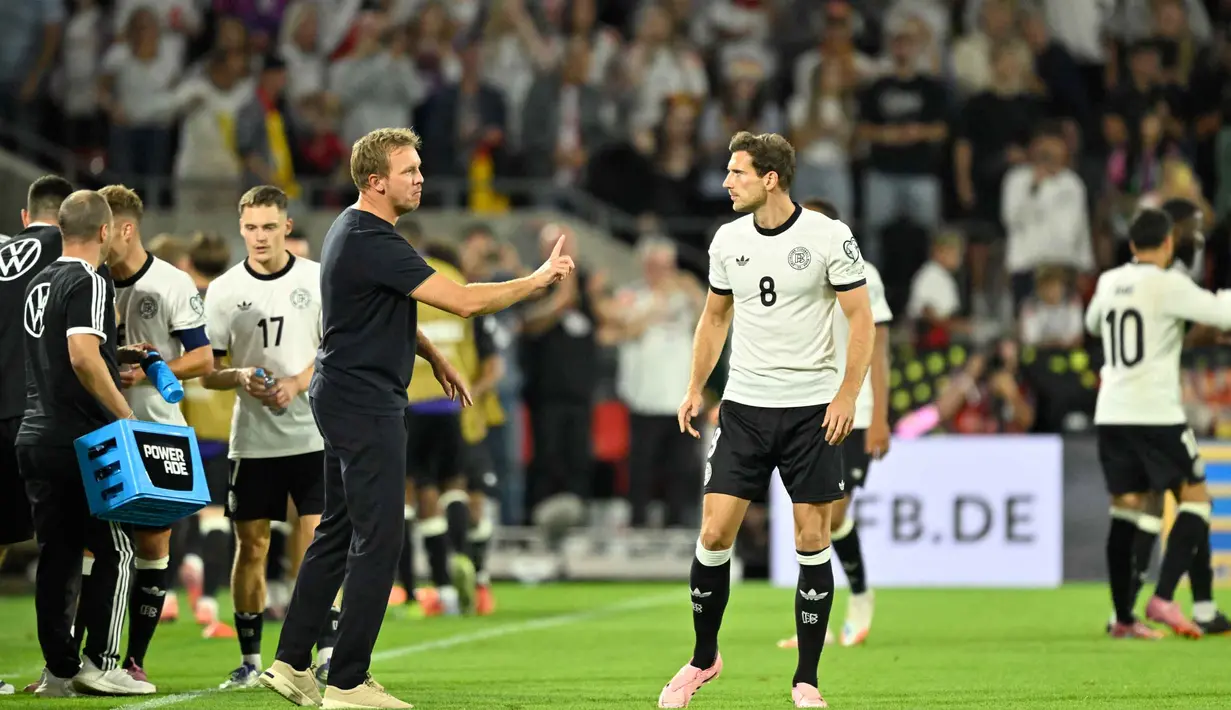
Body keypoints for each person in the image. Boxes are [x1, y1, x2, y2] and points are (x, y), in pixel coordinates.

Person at [259, 127, 574, 709]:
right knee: (380, 538)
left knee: (336, 530)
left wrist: (432, 353)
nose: (421, 178)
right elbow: (465, 300)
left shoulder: (356, 232)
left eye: (420, 168)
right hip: (363, 400)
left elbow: (380, 308)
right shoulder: (371, 236)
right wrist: (535, 281)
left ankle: (290, 662)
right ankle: (348, 681)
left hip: (344, 391)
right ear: (376, 182)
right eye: (409, 170)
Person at [660, 132, 874, 709]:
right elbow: (713, 319)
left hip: (811, 412)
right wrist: (694, 387)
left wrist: (847, 396)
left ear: (770, 178)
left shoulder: (829, 237)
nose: (727, 182)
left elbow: (863, 320)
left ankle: (806, 678)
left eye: (737, 172)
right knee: (713, 533)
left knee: (812, 537)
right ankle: (704, 659)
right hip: (746, 409)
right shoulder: (728, 240)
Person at [17, 190, 155, 696]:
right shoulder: (90, 280)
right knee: (117, 549)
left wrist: (111, 356)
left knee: (57, 556)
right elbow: (80, 355)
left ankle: (57, 671)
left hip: (34, 433)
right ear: (103, 232)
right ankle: (103, 663)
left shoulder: (39, 281)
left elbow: (66, 353)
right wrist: (125, 417)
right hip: (81, 437)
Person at [199, 185, 335, 689]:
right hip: (253, 439)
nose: (260, 237)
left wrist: (298, 382)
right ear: (241, 228)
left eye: (269, 227)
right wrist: (239, 376)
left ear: (287, 228)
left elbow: (335, 348)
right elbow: (208, 369)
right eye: (252, 227)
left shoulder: (317, 280)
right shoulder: (224, 290)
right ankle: (251, 659)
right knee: (251, 545)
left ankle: (323, 651)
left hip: (313, 432)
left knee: (318, 539)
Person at [1085, 208, 1231, 640]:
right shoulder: (1169, 284)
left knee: (1128, 510)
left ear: (1132, 245)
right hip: (1155, 412)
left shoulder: (1109, 281)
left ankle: (1122, 617)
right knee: (1198, 500)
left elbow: (1092, 323)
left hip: (1111, 411)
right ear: (1168, 244)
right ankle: (1164, 597)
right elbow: (1222, 314)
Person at [100, 184, 215, 683]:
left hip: (155, 430)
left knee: (153, 543)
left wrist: (147, 370)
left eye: (104, 229)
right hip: (99, 428)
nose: (97, 238)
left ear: (125, 229)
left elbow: (204, 357)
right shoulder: (90, 280)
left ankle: (135, 660)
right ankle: (78, 661)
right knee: (90, 544)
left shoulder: (172, 282)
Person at [778, 198, 893, 652]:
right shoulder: (792, 270)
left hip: (857, 411)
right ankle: (817, 624)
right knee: (812, 520)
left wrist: (881, 416)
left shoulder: (864, 271)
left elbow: (878, 349)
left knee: (836, 512)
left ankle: (861, 596)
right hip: (805, 408)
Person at [0, 174, 75, 696]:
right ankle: (63, 668)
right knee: (61, 542)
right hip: (39, 417)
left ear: (26, 217)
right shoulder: (71, 258)